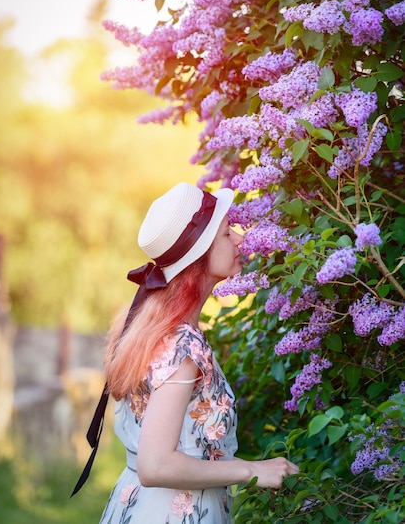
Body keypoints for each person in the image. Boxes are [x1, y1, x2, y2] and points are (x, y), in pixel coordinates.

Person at [96, 182, 299, 523]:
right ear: (200, 254)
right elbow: (156, 465)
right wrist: (250, 470)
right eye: (225, 233)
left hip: (137, 505)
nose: (238, 239)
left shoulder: (153, 329)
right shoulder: (182, 346)